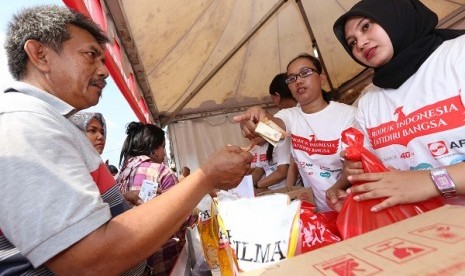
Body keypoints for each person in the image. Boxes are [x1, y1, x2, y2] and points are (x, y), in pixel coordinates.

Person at [0, 5, 252, 275]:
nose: (104, 71)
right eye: (91, 55)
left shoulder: (54, 123)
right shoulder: (24, 125)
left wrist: (117, 207)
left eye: (104, 60)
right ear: (40, 55)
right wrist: (205, 177)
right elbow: (88, 262)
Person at [332, 0, 465, 212]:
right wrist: (354, 186)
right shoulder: (368, 100)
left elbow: (410, 183)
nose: (360, 43)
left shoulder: (458, 55)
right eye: (351, 42)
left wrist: (431, 181)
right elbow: (368, 169)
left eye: (366, 26)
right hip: (419, 233)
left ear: (395, 15)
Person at [234, 54, 357, 211]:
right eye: (291, 78)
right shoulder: (290, 116)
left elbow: (354, 165)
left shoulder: (348, 115)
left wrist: (335, 189)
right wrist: (256, 120)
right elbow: (273, 132)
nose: (298, 81)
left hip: (349, 206)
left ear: (322, 78)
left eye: (305, 73)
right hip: (317, 211)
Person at [117, 122, 196, 275]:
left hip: (133, 264)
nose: (165, 153)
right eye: (163, 147)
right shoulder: (161, 171)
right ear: (153, 149)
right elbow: (181, 216)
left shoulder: (120, 177)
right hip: (165, 261)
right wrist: (195, 214)